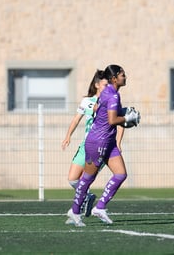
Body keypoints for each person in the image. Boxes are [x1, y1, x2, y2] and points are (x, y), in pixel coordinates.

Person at [66, 64, 140, 227]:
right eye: (122, 75)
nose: (125, 77)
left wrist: (123, 114)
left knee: (120, 174)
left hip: (109, 141)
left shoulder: (108, 92)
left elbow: (99, 108)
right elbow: (113, 120)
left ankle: (99, 207)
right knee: (87, 178)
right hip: (97, 141)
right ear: (114, 78)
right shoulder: (112, 95)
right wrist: (128, 118)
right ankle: (75, 211)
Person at [61, 69, 124, 221]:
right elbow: (78, 119)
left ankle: (85, 208)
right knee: (73, 179)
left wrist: (119, 142)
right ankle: (84, 201)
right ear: (97, 85)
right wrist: (68, 136)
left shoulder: (110, 98)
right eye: (104, 84)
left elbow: (118, 122)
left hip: (105, 142)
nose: (107, 85)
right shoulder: (91, 101)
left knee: (95, 176)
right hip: (91, 143)